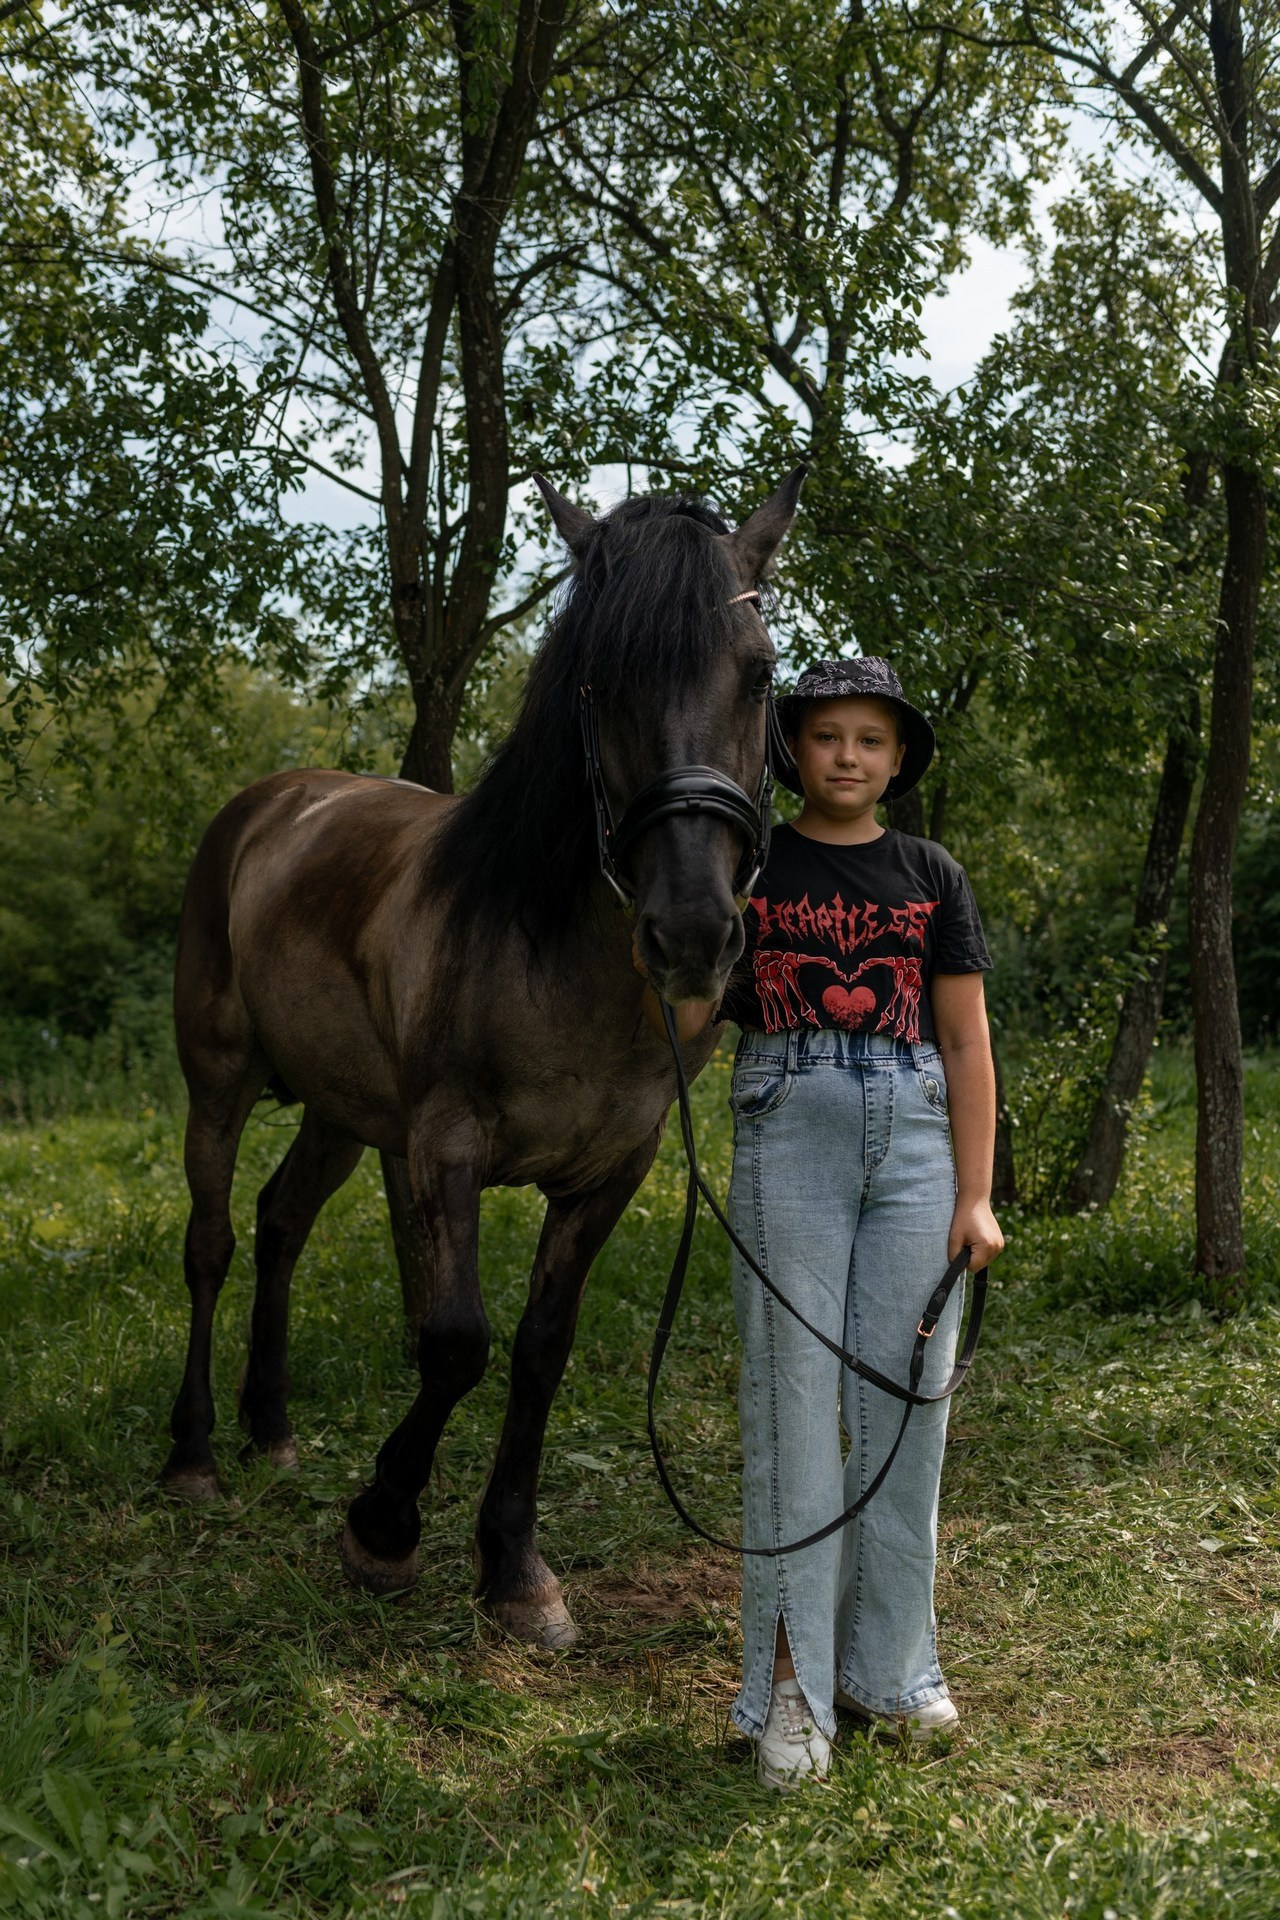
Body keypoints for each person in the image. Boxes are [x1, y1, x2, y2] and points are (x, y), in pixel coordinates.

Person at [718, 656, 1005, 1790]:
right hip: (786, 1120)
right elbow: (691, 1012)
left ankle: (889, 1671)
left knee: (906, 1406)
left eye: (870, 739)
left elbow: (966, 1039)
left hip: (919, 1139)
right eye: (827, 735)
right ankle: (788, 1690)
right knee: (792, 1410)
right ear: (793, 750)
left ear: (895, 761)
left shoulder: (930, 873)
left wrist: (975, 1194)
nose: (847, 755)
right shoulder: (748, 862)